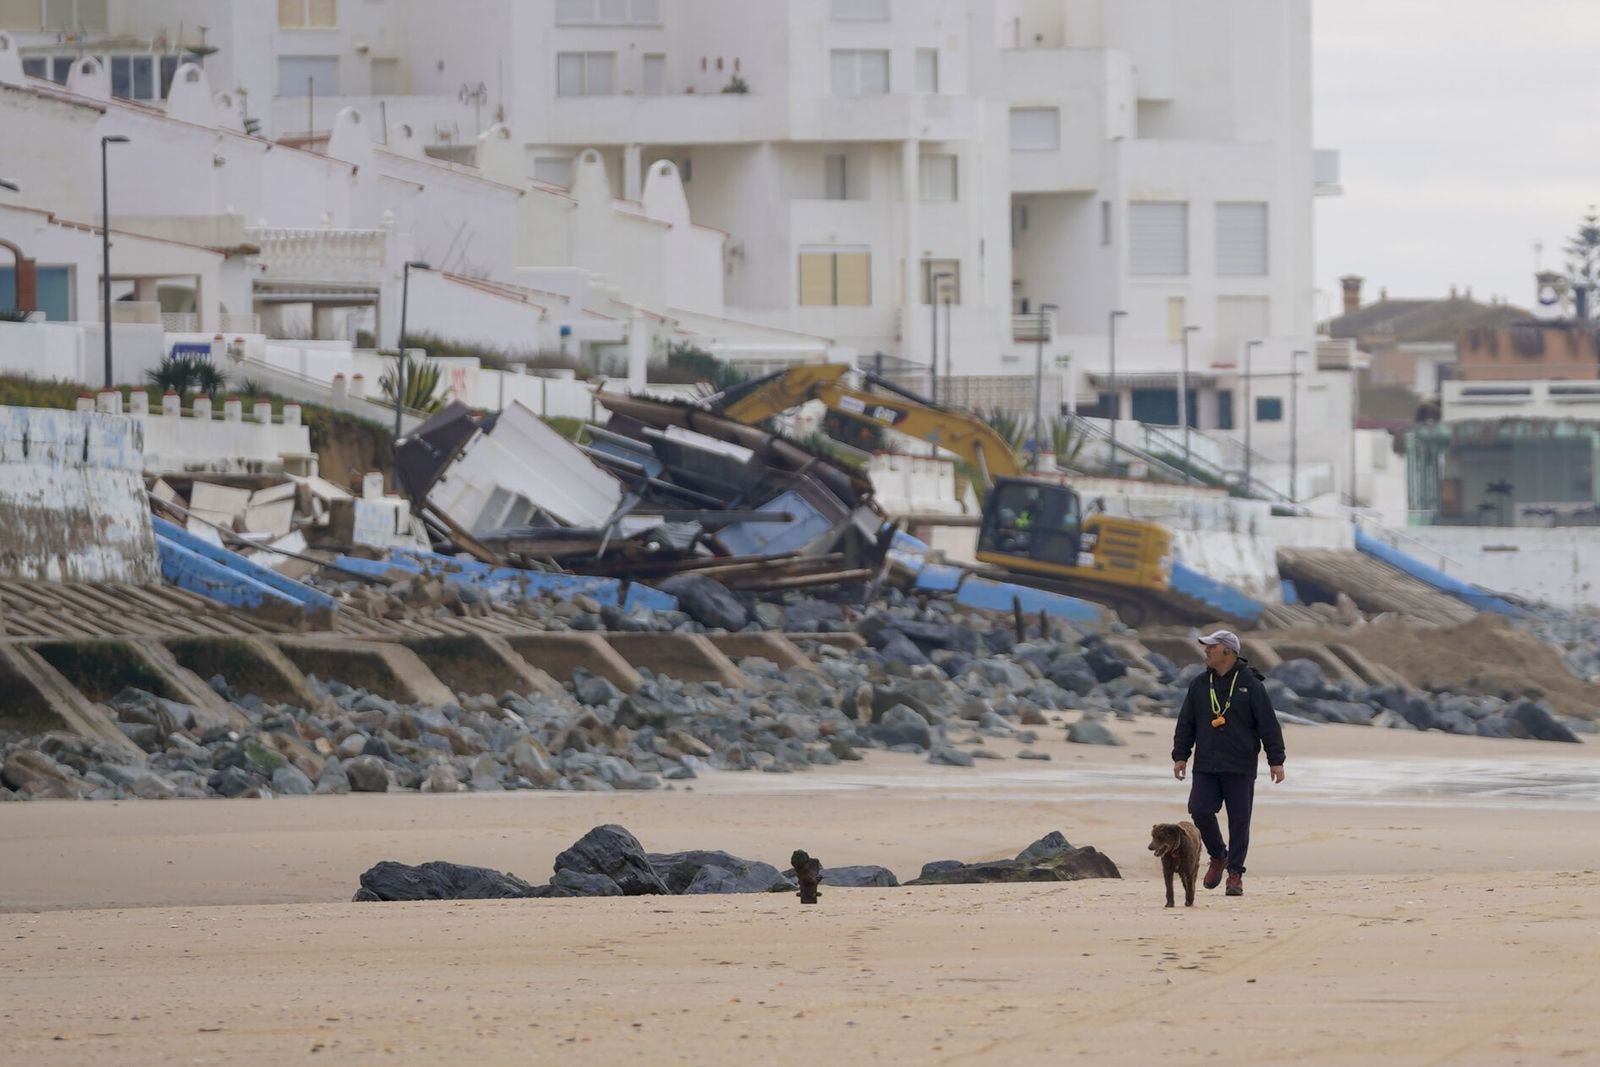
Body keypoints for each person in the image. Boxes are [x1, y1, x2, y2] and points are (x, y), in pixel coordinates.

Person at [1171, 629, 1285, 897]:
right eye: (1207, 647)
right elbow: (1186, 722)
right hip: (1206, 764)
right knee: (1199, 809)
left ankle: (1235, 874)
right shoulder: (1199, 684)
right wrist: (1180, 755)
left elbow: (1268, 725)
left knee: (1239, 821)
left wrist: (1276, 760)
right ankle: (1218, 855)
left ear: (1228, 652)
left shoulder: (1252, 684)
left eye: (1211, 647)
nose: (1206, 651)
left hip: (1240, 764)